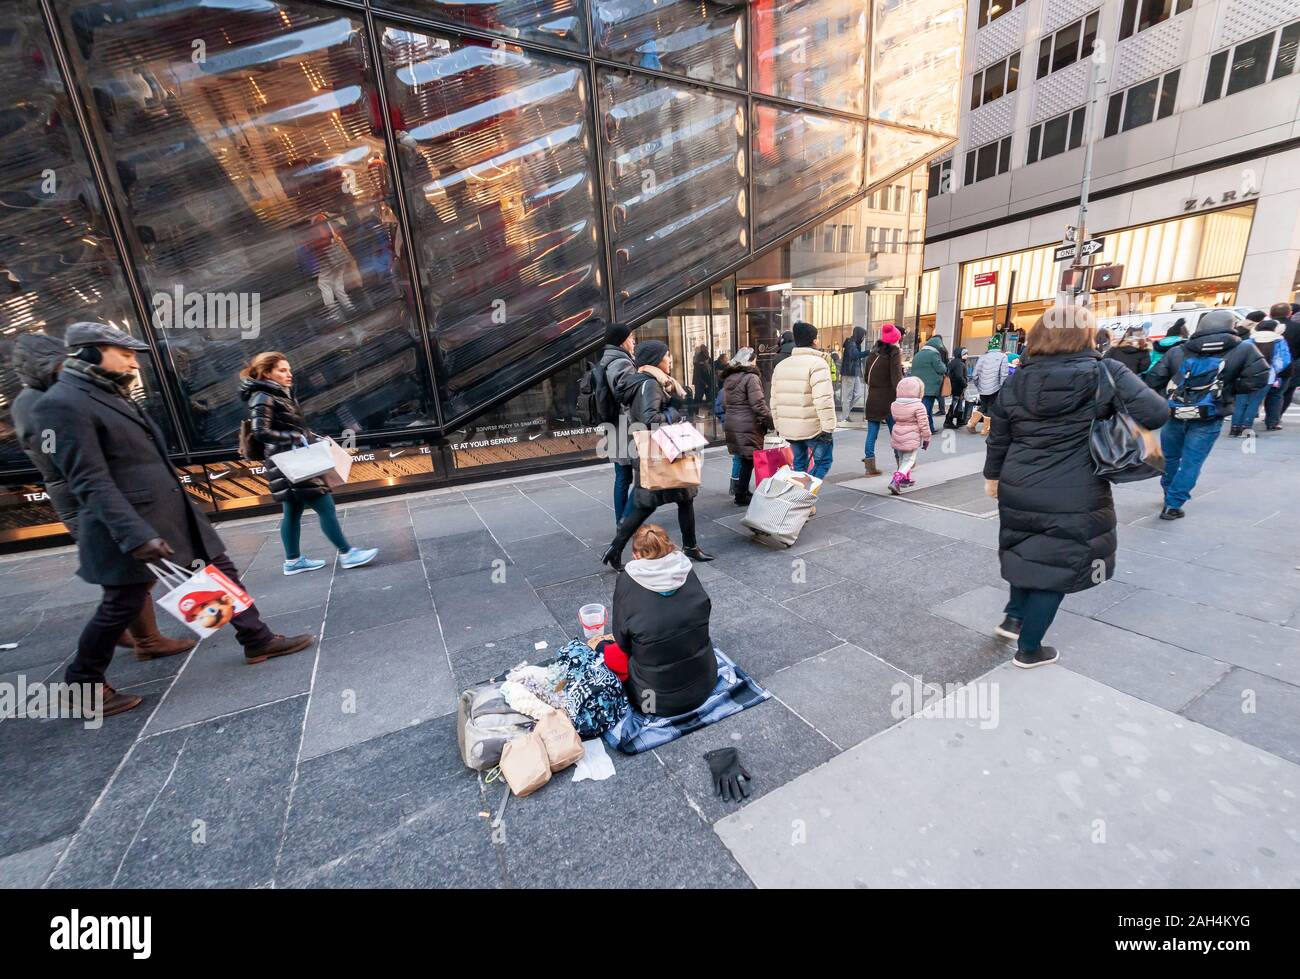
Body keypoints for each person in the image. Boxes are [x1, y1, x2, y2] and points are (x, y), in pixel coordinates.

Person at [34, 323, 315, 718]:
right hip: (131, 523)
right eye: (124, 353)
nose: (134, 362)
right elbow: (88, 479)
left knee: (221, 572)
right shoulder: (62, 403)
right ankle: (82, 683)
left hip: (171, 513)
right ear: (90, 352)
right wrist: (135, 534)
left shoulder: (109, 392)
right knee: (122, 603)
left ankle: (257, 638)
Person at [984, 308, 1169, 668]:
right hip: (1075, 487)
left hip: (1018, 483)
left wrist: (993, 478)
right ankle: (1030, 649)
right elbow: (1156, 413)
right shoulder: (1104, 371)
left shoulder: (1018, 379)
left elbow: (999, 436)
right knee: (1056, 569)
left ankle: (1013, 617)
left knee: (1025, 550)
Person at [11, 333, 193, 661]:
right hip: (79, 494)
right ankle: (142, 640)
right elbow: (50, 450)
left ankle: (142, 636)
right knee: (127, 574)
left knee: (129, 574)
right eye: (58, 361)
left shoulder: (48, 394)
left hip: (85, 489)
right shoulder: (36, 402)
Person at [240, 353, 378, 575]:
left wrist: (306, 435)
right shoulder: (263, 397)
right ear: (267, 373)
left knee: (292, 511)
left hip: (288, 462)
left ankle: (293, 561)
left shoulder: (278, 393)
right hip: (291, 462)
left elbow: (287, 424)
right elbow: (260, 432)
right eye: (282, 370)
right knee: (326, 506)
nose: (289, 374)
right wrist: (293, 438)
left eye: (289, 369)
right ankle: (347, 553)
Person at [1144, 309, 1270, 519]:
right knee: (1193, 461)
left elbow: (1154, 378)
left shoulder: (1179, 350)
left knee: (1170, 457)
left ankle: (1169, 491)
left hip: (1175, 413)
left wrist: (1169, 397)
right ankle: (1173, 504)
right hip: (1209, 415)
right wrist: (1227, 392)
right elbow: (1258, 378)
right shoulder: (1244, 350)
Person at [601, 340, 714, 571]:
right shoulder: (650, 384)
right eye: (667, 355)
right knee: (644, 506)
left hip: (665, 452)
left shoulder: (653, 382)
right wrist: (674, 413)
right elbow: (649, 420)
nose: (670, 359)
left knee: (685, 497)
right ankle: (615, 548)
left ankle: (691, 546)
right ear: (655, 359)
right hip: (656, 455)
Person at [610, 523, 715, 717]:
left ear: (636, 556)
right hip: (705, 686)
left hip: (652, 702)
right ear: (669, 548)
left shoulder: (627, 579)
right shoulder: (685, 569)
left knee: (612, 654)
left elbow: (622, 641)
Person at [770, 320, 836, 481]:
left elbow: (774, 400)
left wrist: (779, 425)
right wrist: (828, 427)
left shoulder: (781, 366)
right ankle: (804, 496)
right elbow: (823, 399)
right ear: (814, 341)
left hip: (790, 428)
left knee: (799, 464)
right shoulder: (818, 364)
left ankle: (798, 498)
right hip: (813, 428)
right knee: (823, 461)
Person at [596, 322, 637, 523]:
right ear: (622, 341)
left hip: (616, 426)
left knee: (623, 476)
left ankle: (623, 520)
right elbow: (629, 396)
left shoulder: (609, 359)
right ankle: (625, 521)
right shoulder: (621, 363)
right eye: (630, 337)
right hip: (625, 428)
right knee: (636, 479)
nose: (633, 341)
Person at [720, 347, 772, 506]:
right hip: (748, 423)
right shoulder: (751, 377)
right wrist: (771, 421)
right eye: (754, 360)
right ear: (750, 361)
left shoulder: (730, 378)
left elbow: (724, 404)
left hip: (734, 422)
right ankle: (741, 495)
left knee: (744, 459)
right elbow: (758, 404)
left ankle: (741, 492)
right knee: (749, 460)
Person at [862, 322, 903, 476]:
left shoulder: (873, 354)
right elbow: (896, 379)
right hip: (889, 399)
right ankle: (902, 463)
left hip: (873, 398)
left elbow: (867, 377)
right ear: (895, 340)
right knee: (896, 433)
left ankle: (869, 465)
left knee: (872, 432)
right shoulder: (894, 353)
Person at [888, 377, 930, 494]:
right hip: (911, 436)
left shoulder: (894, 404)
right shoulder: (918, 406)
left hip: (897, 434)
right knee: (909, 460)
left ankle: (904, 480)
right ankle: (895, 481)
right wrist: (926, 438)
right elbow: (924, 424)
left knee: (902, 459)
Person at [967, 333, 1009, 436]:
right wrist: (1002, 387)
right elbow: (1003, 375)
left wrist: (979, 385)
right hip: (995, 387)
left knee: (984, 405)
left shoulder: (982, 357)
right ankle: (986, 429)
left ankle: (971, 423)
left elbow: (975, 374)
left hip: (982, 387)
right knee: (991, 407)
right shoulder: (1003, 357)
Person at [1261, 303, 1295, 429]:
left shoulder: (1261, 327)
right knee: (1278, 394)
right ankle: (1273, 421)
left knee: (1254, 395)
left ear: (1270, 313)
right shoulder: (1296, 328)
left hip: (1261, 366)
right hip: (1287, 367)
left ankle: (1244, 421)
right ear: (1289, 313)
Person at [909, 334, 947, 433]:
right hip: (930, 387)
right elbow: (941, 369)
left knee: (921, 408)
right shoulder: (933, 355)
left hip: (918, 386)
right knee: (927, 409)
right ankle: (928, 428)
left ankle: (924, 427)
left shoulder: (918, 354)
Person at [1276, 302, 1300, 414]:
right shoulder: (1297, 328)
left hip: (1265, 364)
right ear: (1289, 313)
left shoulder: (1263, 325)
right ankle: (1275, 417)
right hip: (1291, 363)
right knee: (1286, 392)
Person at [840, 326, 867, 421]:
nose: (863, 338)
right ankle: (844, 417)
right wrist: (869, 352)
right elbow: (855, 356)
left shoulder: (854, 343)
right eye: (863, 336)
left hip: (854, 373)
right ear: (859, 334)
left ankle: (846, 414)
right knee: (847, 396)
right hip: (849, 373)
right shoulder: (851, 343)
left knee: (858, 394)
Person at [943, 346, 969, 428]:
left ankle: (959, 420)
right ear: (960, 354)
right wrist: (965, 384)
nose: (967, 355)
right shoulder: (959, 363)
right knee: (956, 404)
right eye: (965, 354)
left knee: (958, 403)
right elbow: (959, 376)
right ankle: (949, 420)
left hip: (954, 386)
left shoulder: (954, 362)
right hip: (958, 387)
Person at [692, 344, 714, 417]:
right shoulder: (698, 358)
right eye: (705, 349)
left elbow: (711, 367)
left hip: (707, 380)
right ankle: (696, 412)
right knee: (699, 397)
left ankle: (708, 412)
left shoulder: (708, 358)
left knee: (709, 397)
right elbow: (698, 372)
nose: (706, 351)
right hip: (700, 381)